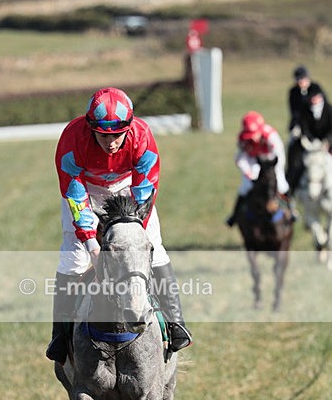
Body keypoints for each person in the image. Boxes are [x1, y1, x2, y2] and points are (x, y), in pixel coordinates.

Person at [46, 86, 192, 365]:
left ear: (128, 128)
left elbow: (145, 191)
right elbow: (75, 195)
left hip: (128, 190)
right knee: (73, 259)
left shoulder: (143, 136)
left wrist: (134, 228)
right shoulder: (72, 138)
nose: (111, 142)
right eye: (103, 135)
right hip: (86, 191)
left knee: (154, 248)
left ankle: (175, 324)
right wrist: (91, 242)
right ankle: (60, 336)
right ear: (91, 129)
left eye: (117, 135)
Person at [225, 111, 291, 227]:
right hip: (254, 162)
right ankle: (235, 215)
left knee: (281, 185)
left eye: (255, 134)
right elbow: (240, 158)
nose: (253, 138)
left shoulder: (271, 136)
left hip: (271, 163)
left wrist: (273, 171)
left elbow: (279, 155)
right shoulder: (243, 140)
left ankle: (289, 210)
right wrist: (248, 172)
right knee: (245, 188)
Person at [289, 89, 332, 197]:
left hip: (329, 142)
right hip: (312, 144)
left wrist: (327, 142)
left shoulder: (329, 109)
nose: (314, 100)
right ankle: (292, 188)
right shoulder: (305, 110)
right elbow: (305, 129)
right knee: (298, 161)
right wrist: (311, 141)